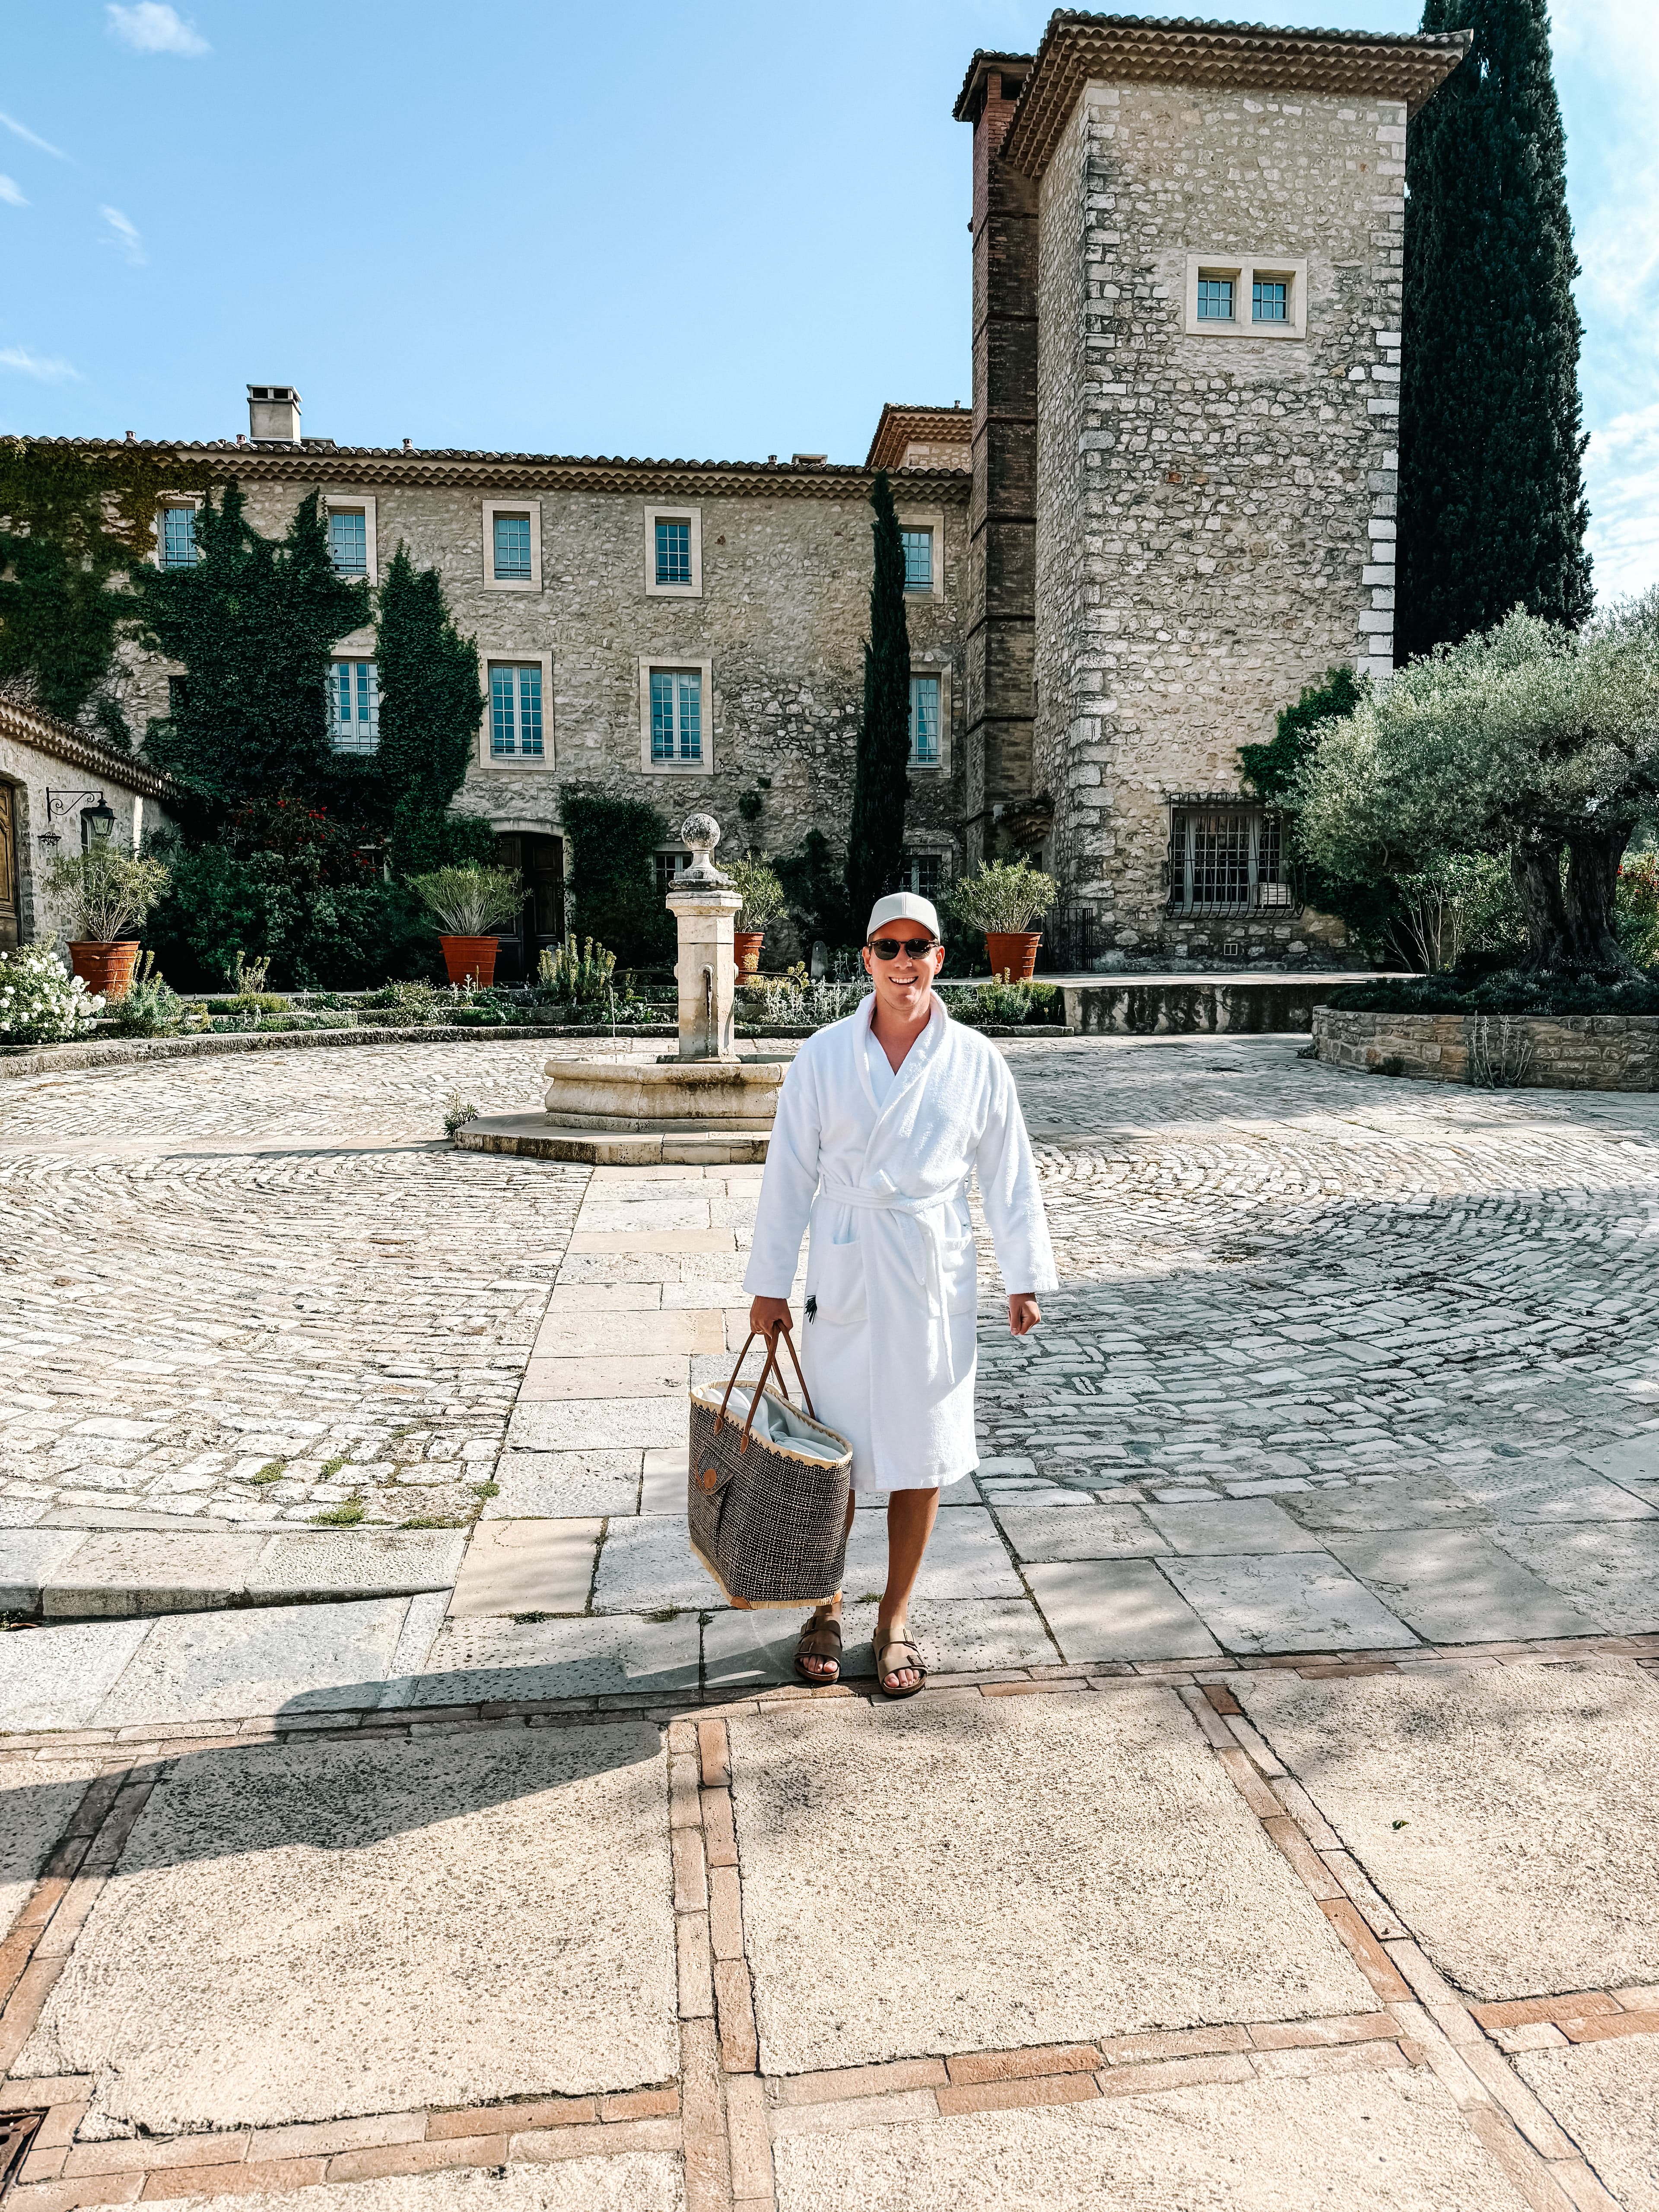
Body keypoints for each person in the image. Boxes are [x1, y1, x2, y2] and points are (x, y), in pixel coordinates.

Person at [744, 891, 1056, 1697]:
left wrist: (1023, 1277)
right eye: (889, 947)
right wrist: (768, 1286)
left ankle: (895, 1617)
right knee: (829, 1457)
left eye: (920, 947)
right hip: (846, 1264)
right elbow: (789, 1174)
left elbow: (1009, 1174)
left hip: (929, 1268)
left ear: (941, 958)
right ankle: (824, 1605)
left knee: (921, 1448)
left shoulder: (977, 1060)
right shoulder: (821, 1056)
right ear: (867, 958)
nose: (904, 961)